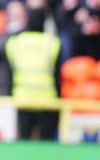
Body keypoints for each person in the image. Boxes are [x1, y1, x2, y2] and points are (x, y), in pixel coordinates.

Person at [5, 8, 62, 141]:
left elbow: (8, 74)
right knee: (46, 144)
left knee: (24, 144)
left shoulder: (14, 43)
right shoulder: (53, 43)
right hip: (48, 101)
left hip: (22, 99)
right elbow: (57, 77)